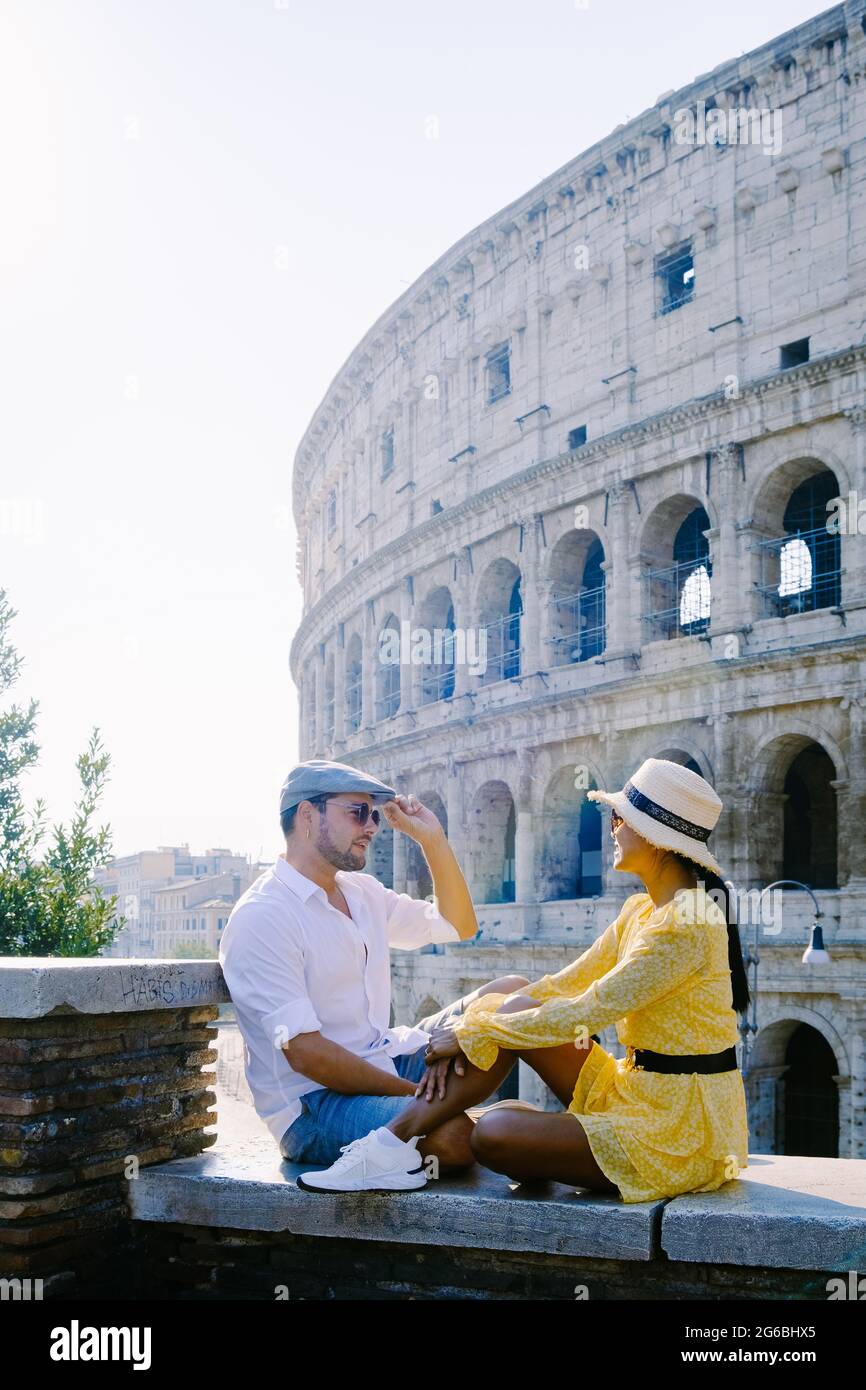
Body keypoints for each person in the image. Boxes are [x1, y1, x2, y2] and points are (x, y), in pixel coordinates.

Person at [306, 757, 751, 1203]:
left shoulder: (686, 923)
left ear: (655, 837)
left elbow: (590, 1008)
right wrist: (477, 1020)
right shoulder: (641, 909)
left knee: (492, 1136)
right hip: (635, 1090)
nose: (611, 828)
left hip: (680, 1127)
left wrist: (471, 1030)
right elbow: (563, 984)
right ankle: (398, 1145)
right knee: (515, 1003)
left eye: (620, 818)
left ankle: (390, 1142)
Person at [218, 758, 529, 1192]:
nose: (372, 826)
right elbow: (307, 1054)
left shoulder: (360, 892)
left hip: (385, 1055)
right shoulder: (263, 917)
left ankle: (450, 1122)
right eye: (357, 813)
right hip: (313, 1106)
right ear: (308, 815)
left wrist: (432, 838)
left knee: (514, 997)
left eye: (375, 814)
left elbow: (459, 924)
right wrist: (415, 1095)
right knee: (453, 1138)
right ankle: (467, 1121)